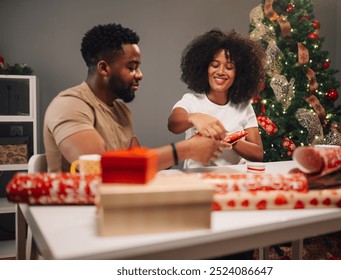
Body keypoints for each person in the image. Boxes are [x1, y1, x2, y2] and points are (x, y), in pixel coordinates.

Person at [43, 23, 229, 172]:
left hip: (115, 205)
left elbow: (142, 163)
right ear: (104, 68)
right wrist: (185, 150)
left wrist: (194, 145)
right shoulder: (69, 105)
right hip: (75, 213)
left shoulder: (121, 111)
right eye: (131, 67)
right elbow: (100, 169)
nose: (139, 74)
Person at [168, 28, 265, 168]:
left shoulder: (244, 106)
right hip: (197, 179)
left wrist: (229, 138)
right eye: (214, 65)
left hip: (233, 180)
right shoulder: (192, 101)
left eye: (229, 67)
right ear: (204, 68)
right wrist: (194, 117)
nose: (220, 72)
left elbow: (258, 155)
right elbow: (173, 124)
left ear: (239, 73)